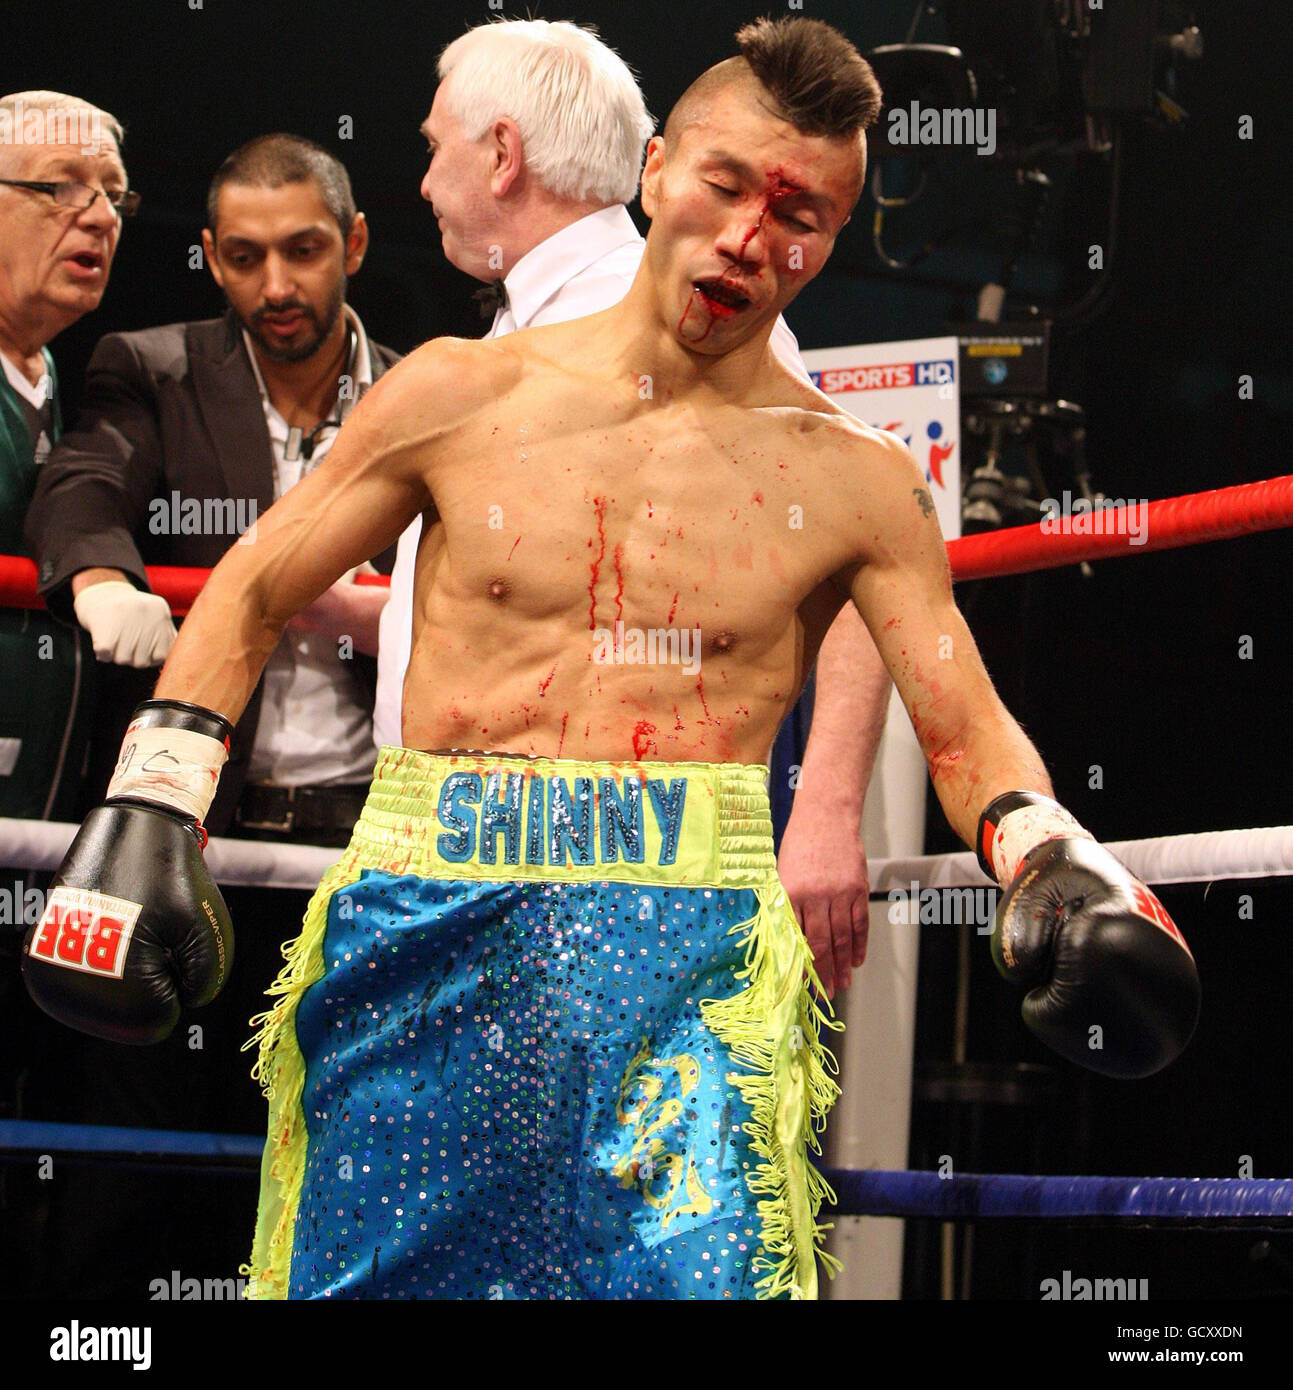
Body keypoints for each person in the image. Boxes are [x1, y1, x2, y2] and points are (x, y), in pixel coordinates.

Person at [24, 17, 1200, 1301]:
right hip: (424, 914)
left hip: (686, 972)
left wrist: (1056, 863)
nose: (754, 236)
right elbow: (253, 586)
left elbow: (965, 725)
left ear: (836, 235)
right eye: (728, 184)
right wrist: (154, 796)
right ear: (653, 173)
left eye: (801, 212)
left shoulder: (855, 481)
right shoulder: (455, 393)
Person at [379, 17, 892, 998]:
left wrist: (826, 812)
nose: (423, 181)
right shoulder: (525, 331)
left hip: (598, 876)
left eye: (434, 145)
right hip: (471, 851)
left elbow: (857, 556)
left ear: (500, 155)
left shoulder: (677, 306)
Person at [22, 134, 404, 1296]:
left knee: (335, 1150)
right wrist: (97, 573)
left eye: (300, 252)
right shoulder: (153, 364)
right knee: (128, 1159)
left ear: (354, 243)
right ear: (207, 259)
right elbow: (85, 478)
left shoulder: (430, 389)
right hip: (178, 827)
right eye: (242, 258)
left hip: (359, 839)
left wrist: (387, 622)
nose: (275, 287)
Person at [0, 90, 130, 820]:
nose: (104, 216)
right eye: (61, 187)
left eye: (114, 195)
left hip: (39, 809)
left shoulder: (58, 377)